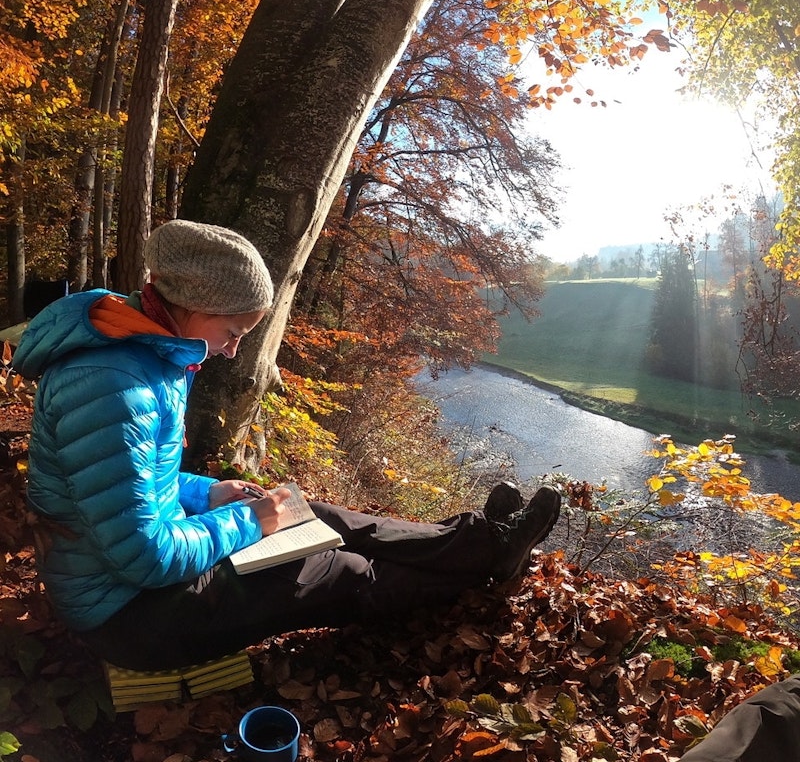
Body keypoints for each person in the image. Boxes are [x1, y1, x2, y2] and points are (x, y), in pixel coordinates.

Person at [12, 219, 561, 671]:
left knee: (309, 513)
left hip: (127, 578)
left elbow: (125, 484)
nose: (230, 352)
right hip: (132, 616)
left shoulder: (142, 351)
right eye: (233, 333)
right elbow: (142, 555)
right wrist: (253, 522)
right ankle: (480, 571)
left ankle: (482, 544)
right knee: (335, 569)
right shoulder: (115, 384)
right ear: (196, 305)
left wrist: (210, 494)